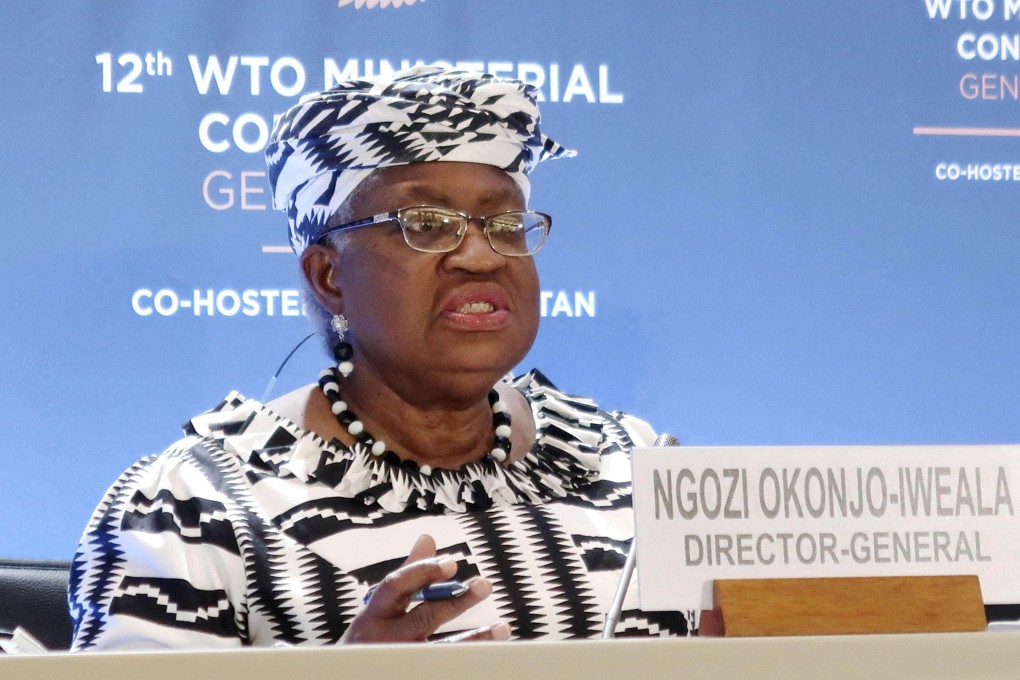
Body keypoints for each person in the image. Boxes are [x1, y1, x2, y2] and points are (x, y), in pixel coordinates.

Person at [69, 65, 689, 650]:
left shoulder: (634, 468)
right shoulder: (195, 506)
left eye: (504, 222)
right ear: (328, 275)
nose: (481, 256)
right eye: (425, 223)